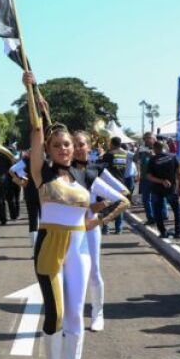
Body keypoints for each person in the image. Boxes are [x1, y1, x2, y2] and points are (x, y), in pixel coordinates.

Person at [24, 75, 126, 359]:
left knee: (74, 315)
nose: (64, 149)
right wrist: (32, 93)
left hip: (79, 247)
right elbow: (37, 134)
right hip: (49, 246)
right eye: (57, 146)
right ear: (51, 151)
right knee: (54, 313)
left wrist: (100, 219)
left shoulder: (87, 174)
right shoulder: (43, 173)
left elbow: (123, 199)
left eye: (67, 144)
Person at [70, 132, 130, 333]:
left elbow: (124, 193)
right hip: (68, 226)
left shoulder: (97, 170)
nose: (78, 148)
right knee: (69, 272)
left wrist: (100, 213)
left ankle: (98, 314)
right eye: (74, 144)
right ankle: (72, 317)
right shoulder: (64, 170)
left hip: (90, 226)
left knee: (94, 271)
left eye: (82, 144)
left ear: (89, 146)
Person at [145, 140, 180, 239]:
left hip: (157, 189)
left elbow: (149, 176)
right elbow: (179, 173)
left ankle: (163, 232)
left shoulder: (152, 160)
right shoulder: (173, 157)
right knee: (176, 210)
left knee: (157, 211)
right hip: (171, 188)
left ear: (155, 149)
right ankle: (178, 232)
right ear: (164, 147)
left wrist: (161, 181)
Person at [99, 137, 134, 234]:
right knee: (119, 205)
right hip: (121, 181)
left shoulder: (109, 154)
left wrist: (101, 155)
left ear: (112, 144)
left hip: (109, 182)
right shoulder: (125, 154)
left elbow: (101, 167)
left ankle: (105, 228)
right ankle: (119, 228)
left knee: (105, 205)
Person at [135, 132, 157, 224]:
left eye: (148, 138)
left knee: (156, 198)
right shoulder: (142, 150)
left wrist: (154, 156)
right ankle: (150, 218)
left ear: (154, 138)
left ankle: (161, 216)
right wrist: (137, 150)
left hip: (156, 178)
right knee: (146, 199)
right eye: (145, 138)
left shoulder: (159, 147)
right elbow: (135, 160)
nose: (146, 140)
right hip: (145, 178)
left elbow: (165, 159)